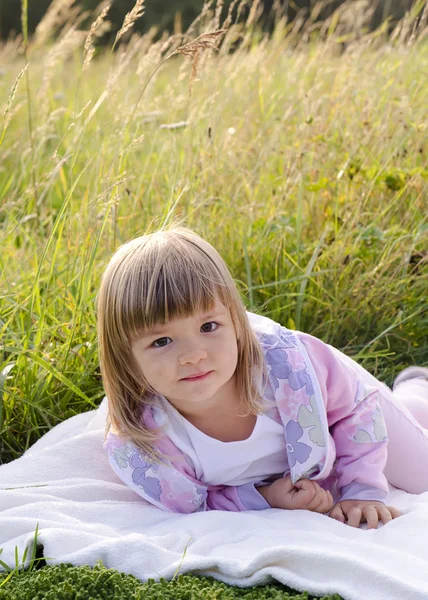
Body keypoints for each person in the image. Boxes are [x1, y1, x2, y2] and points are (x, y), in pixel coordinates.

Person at [97, 223, 428, 529]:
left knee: (421, 473)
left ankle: (415, 387)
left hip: (336, 393)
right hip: (321, 419)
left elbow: (354, 408)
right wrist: (266, 497)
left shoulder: (285, 367)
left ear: (236, 323)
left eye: (208, 326)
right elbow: (200, 503)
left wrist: (361, 489)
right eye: (162, 341)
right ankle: (408, 395)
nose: (193, 355)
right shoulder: (152, 444)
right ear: (125, 357)